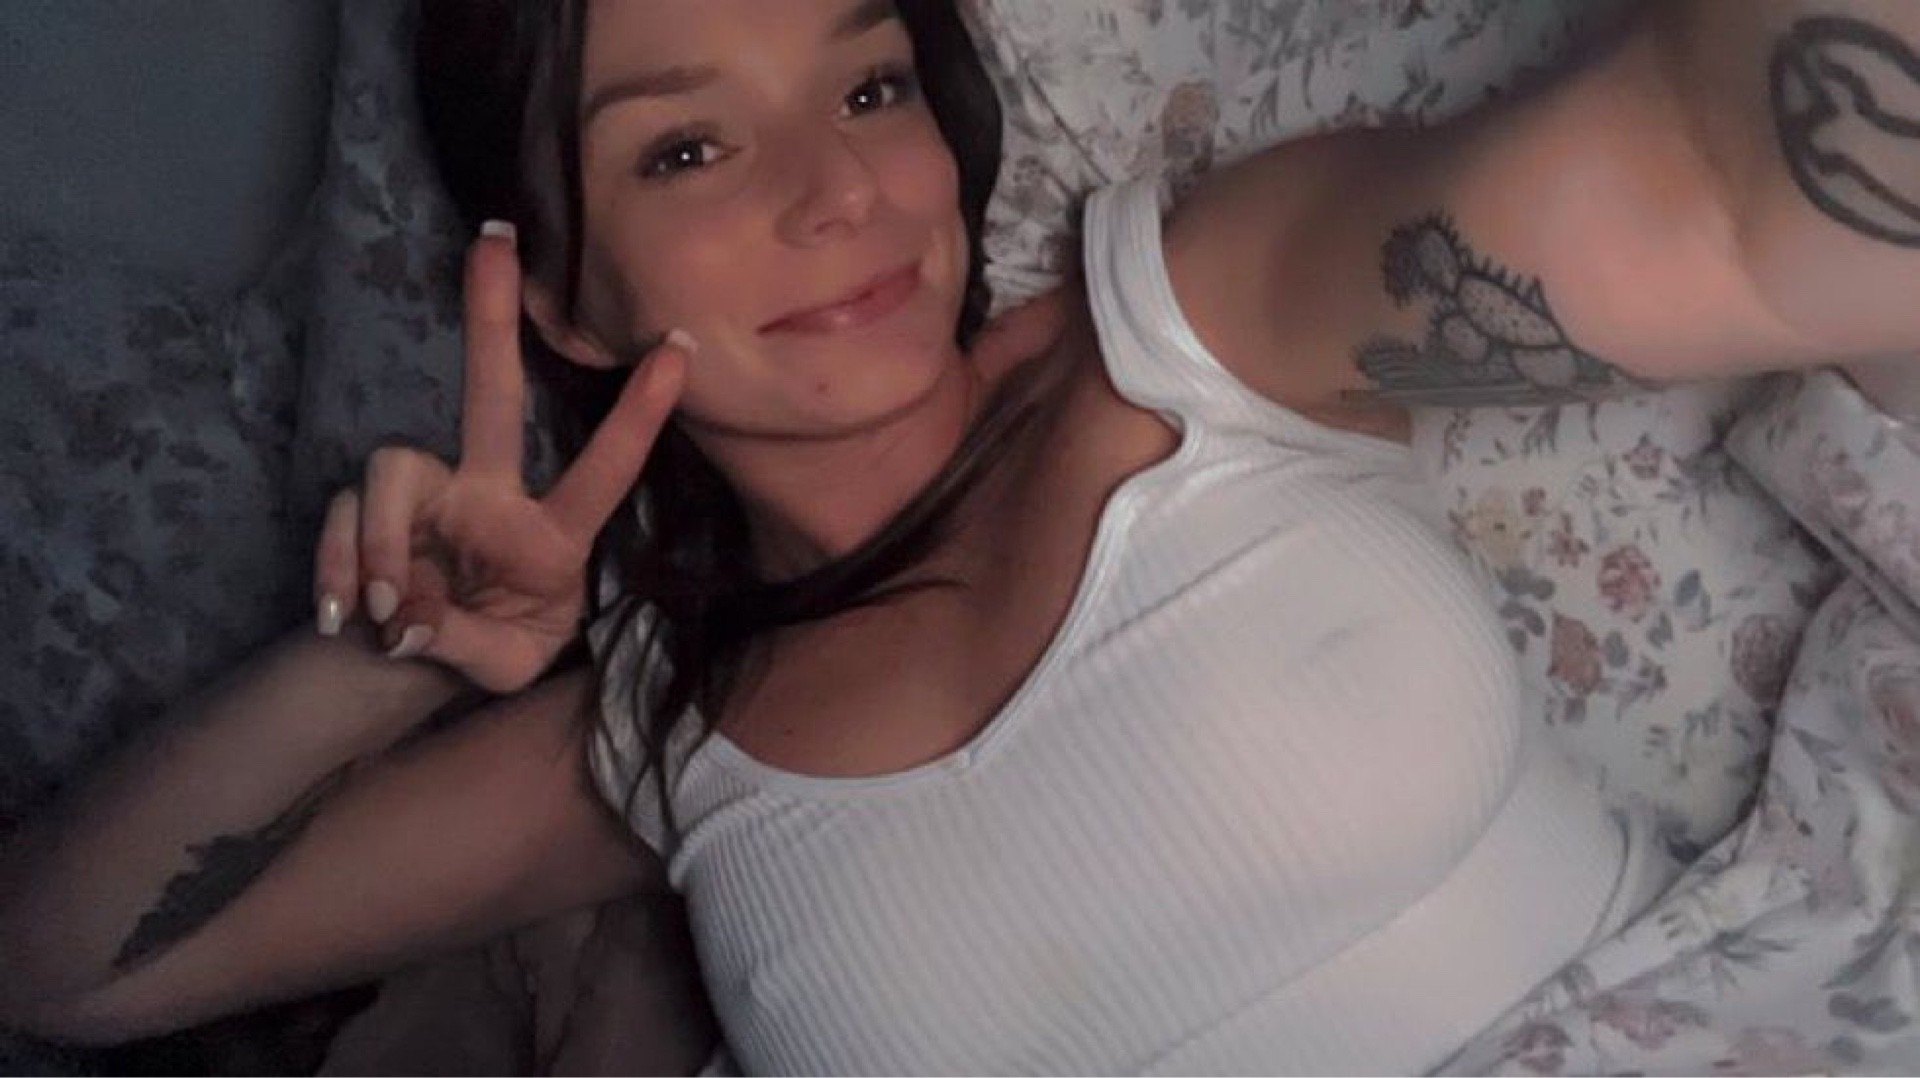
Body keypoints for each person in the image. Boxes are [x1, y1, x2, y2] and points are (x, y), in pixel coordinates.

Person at [3, 0, 1916, 1071]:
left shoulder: (1191, 328)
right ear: (568, 299)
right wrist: (382, 661)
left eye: (868, 85)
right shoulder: (658, 731)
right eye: (688, 148)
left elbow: (1708, 196)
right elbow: (71, 972)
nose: (837, 188)